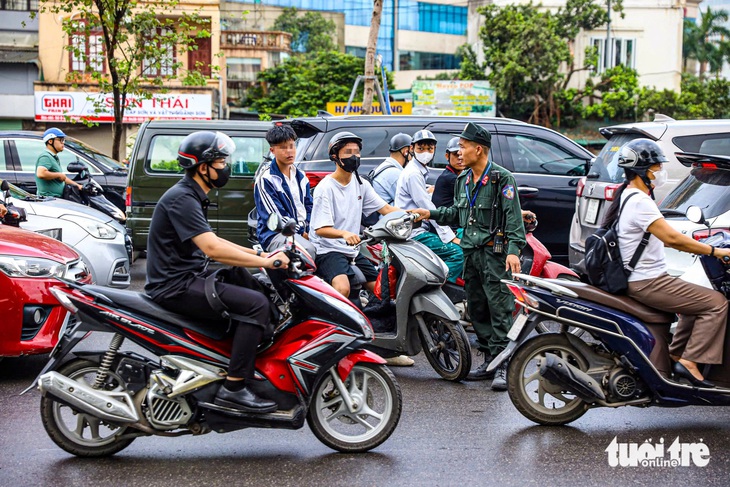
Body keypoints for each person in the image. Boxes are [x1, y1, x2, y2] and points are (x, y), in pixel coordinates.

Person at [145, 131, 290, 413]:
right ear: (203, 167)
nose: (228, 167)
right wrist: (267, 262)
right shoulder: (182, 198)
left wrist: (262, 255)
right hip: (174, 286)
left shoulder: (192, 195)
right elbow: (212, 249)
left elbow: (215, 240)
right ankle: (234, 388)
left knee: (253, 286)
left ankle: (231, 362)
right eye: (223, 162)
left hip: (188, 277)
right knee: (255, 305)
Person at [604, 138, 730, 387]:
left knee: (696, 303)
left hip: (643, 277)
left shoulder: (629, 196)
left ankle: (676, 354)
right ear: (644, 171)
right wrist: (715, 251)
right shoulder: (640, 201)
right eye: (658, 168)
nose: (660, 173)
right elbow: (672, 238)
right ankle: (691, 362)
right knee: (717, 304)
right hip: (647, 281)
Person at [410, 122, 526, 390]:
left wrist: (513, 251)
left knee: (499, 308)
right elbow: (457, 215)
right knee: (476, 307)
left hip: (494, 255)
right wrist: (431, 213)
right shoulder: (462, 179)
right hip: (470, 253)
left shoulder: (502, 179)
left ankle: (503, 364)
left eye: (462, 147)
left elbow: (513, 219)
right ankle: (488, 360)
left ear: (479, 149)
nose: (458, 152)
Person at [309, 131, 414, 367]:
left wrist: (410, 215)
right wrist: (344, 233)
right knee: (342, 288)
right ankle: (334, 342)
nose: (354, 157)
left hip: (354, 252)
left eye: (357, 152)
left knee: (383, 289)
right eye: (348, 152)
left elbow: (384, 208)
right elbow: (321, 229)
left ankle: (384, 347)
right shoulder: (326, 187)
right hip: (329, 250)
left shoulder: (360, 183)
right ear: (335, 156)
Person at [395, 129, 463, 283]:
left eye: (429, 149)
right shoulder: (413, 174)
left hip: (419, 228)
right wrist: (449, 238)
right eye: (421, 148)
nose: (425, 152)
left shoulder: (418, 171)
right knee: (458, 253)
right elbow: (428, 209)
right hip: (414, 232)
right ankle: (437, 288)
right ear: (412, 148)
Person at [254, 124, 316, 257]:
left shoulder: (301, 176)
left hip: (304, 231)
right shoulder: (267, 179)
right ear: (272, 150)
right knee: (308, 251)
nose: (289, 151)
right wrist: (302, 233)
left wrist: (311, 230)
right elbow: (276, 217)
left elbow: (309, 206)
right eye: (283, 147)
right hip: (276, 234)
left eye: (292, 146)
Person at [35, 128, 82, 198]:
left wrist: (77, 186)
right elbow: (41, 173)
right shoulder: (46, 157)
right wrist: (58, 175)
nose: (63, 142)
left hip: (55, 199)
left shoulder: (53, 157)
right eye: (60, 140)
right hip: (49, 200)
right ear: (50, 141)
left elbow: (63, 178)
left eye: (63, 140)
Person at [370, 133, 412, 205]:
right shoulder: (394, 174)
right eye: (412, 152)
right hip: (389, 215)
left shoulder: (384, 167)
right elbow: (412, 201)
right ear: (406, 152)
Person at [431, 136, 466, 209]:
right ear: (447, 156)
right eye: (456, 154)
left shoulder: (449, 174)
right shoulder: (450, 178)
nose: (460, 158)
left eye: (462, 154)